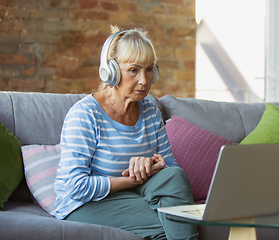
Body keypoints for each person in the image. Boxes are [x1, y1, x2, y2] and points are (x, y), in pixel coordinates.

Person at [53, 25, 198, 240]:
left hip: (133, 195)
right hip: (85, 203)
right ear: (110, 71)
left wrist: (155, 164)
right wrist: (134, 180)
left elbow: (172, 171)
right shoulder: (84, 114)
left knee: (175, 177)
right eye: (134, 70)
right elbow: (75, 186)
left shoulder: (150, 112)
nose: (144, 80)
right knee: (171, 224)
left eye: (149, 69)